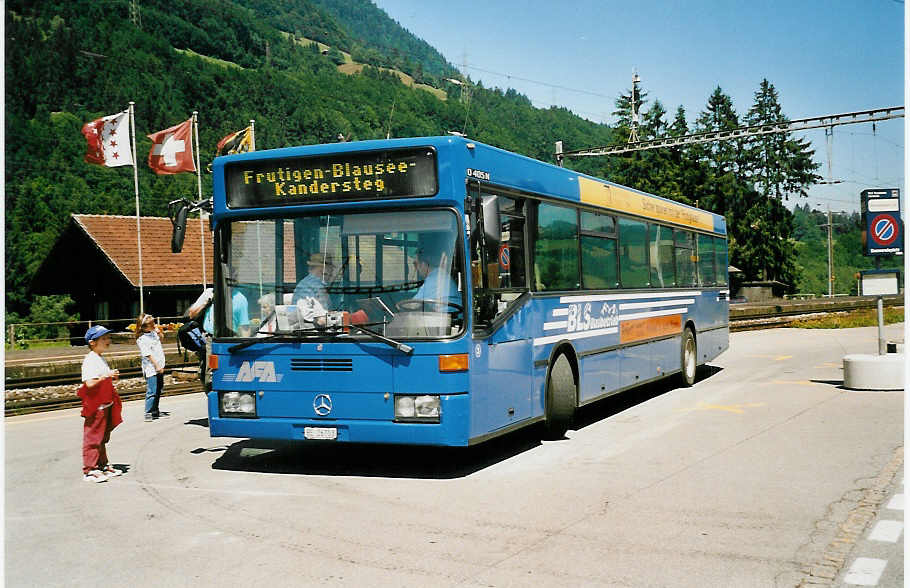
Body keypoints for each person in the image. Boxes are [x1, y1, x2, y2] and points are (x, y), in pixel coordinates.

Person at [78, 325, 123, 482]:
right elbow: (89, 383)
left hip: (105, 403)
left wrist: (110, 376)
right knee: (93, 437)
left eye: (108, 337)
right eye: (103, 338)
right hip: (96, 405)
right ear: (92, 342)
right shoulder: (90, 360)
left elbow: (101, 378)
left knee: (102, 437)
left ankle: (102, 464)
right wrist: (106, 376)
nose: (107, 341)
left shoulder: (99, 358)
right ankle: (90, 469)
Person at [135, 313, 167, 421]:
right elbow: (148, 354)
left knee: (159, 389)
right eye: (151, 324)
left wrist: (159, 332)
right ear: (144, 327)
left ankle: (155, 410)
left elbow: (161, 339)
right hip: (151, 368)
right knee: (152, 390)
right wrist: (157, 366)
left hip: (159, 365)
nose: (154, 325)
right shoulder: (142, 339)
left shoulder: (153, 333)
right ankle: (148, 412)